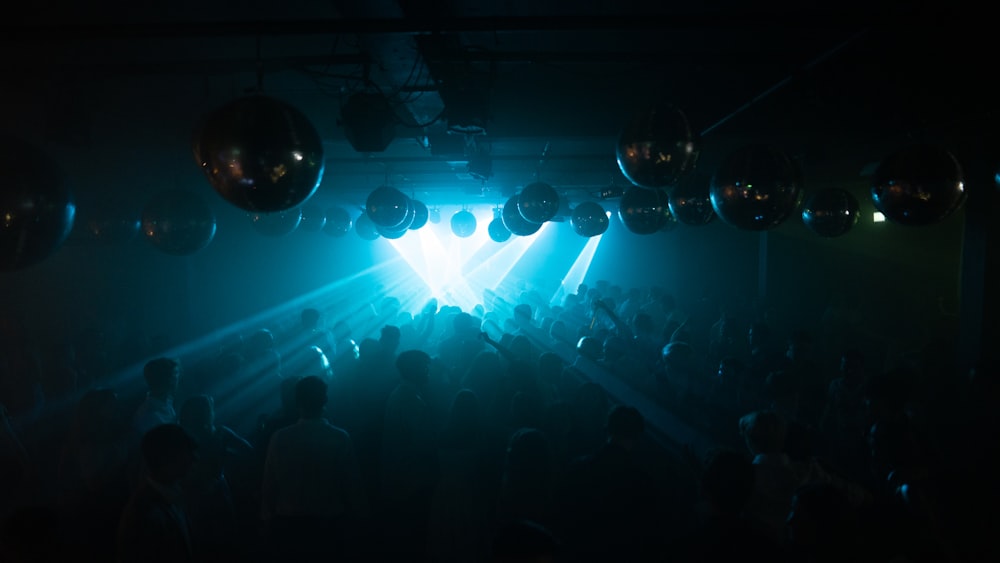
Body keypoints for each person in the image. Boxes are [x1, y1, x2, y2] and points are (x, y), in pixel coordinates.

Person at [260, 375, 368, 562]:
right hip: (329, 523)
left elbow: (269, 484)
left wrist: (267, 520)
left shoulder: (280, 438)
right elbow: (352, 485)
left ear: (297, 401)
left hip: (289, 523)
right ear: (325, 400)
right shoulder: (339, 438)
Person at [116, 423, 199, 563]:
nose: (194, 458)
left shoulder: (170, 496)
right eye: (188, 452)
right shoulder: (144, 512)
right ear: (168, 458)